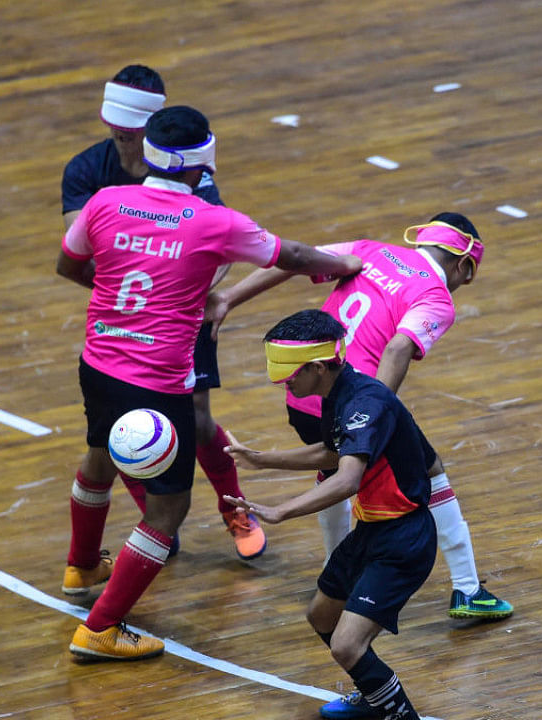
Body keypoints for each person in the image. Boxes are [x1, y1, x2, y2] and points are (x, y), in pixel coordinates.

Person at [57, 105, 362, 660]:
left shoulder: (103, 202)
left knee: (99, 455)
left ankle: (80, 568)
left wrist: (122, 296)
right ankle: (101, 627)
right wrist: (340, 266)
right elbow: (289, 255)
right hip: (157, 384)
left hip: (99, 363)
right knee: (167, 512)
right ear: (202, 165)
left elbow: (70, 265)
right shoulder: (213, 220)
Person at [208, 212, 513, 622]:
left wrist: (228, 298)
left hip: (302, 394)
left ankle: (336, 572)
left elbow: (296, 260)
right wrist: (377, 415)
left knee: (334, 466)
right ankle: (467, 589)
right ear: (464, 266)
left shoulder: (370, 250)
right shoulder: (436, 297)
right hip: (352, 398)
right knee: (430, 470)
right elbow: (397, 350)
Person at [62, 64, 265, 560]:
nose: (121, 142)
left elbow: (213, 252)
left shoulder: (190, 173)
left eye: (130, 135)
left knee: (196, 422)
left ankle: (233, 507)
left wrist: (184, 294)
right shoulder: (86, 171)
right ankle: (155, 519)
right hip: (126, 318)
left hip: (182, 315)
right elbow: (81, 254)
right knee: (124, 427)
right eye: (116, 132)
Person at [223, 309, 436, 720]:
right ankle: (375, 695)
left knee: (346, 646)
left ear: (319, 367)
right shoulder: (336, 393)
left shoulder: (365, 403)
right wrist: (261, 459)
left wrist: (281, 511)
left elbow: (346, 479)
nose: (286, 384)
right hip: (372, 529)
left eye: (291, 376)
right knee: (321, 614)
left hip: (403, 539)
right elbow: (333, 451)